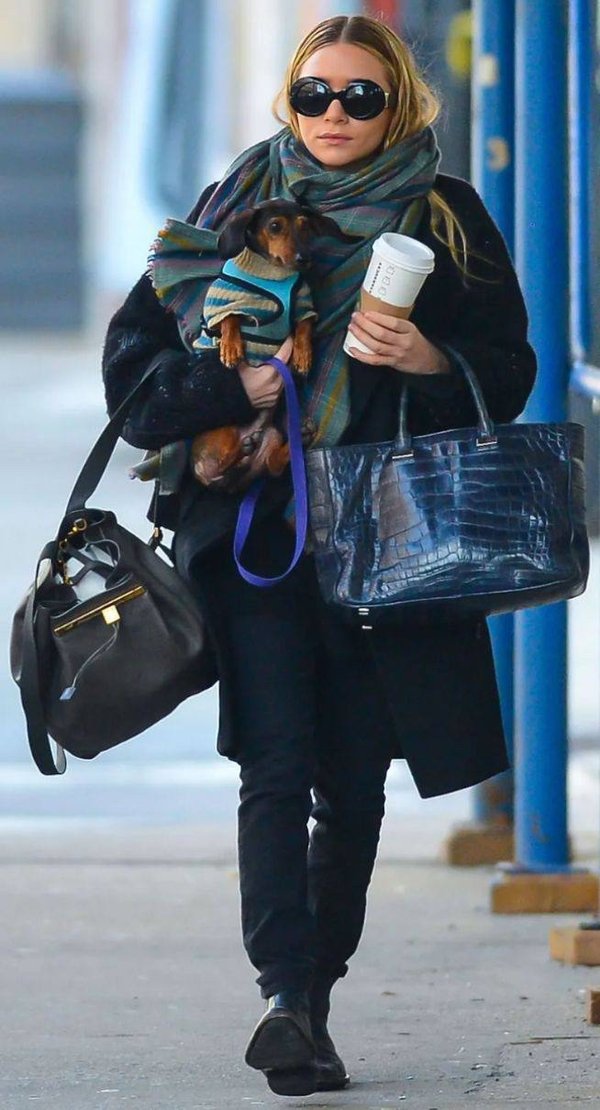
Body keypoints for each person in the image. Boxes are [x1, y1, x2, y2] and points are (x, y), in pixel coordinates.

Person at [102, 13, 536, 1098]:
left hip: (391, 542)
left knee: (351, 778)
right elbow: (134, 377)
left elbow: (510, 369)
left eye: (360, 96)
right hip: (257, 534)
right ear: (287, 102)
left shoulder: (446, 218)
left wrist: (428, 357)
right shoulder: (229, 211)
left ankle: (316, 996)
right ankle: (284, 997)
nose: (334, 114)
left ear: (400, 107)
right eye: (314, 94)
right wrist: (233, 384)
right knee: (275, 763)